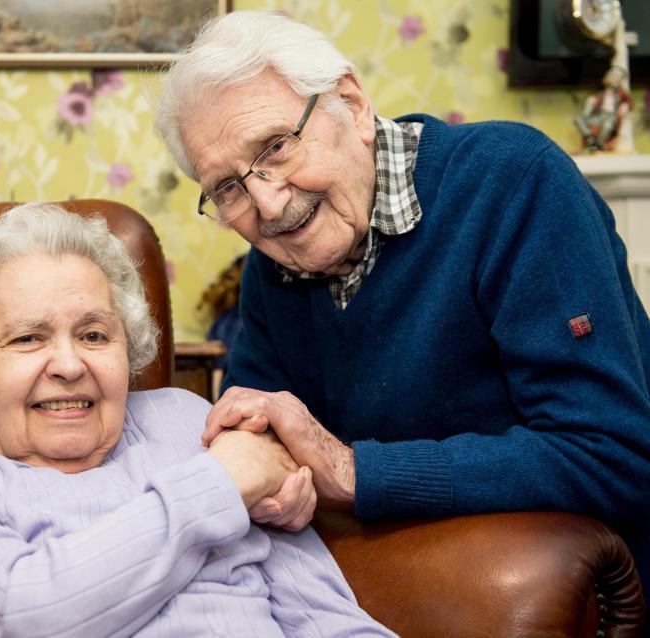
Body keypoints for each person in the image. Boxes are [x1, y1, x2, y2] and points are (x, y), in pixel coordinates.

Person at [155, 9, 650, 604]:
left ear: (353, 105)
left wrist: (352, 472)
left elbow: (613, 455)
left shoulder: (514, 182)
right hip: (388, 582)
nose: (265, 202)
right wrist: (267, 472)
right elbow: (262, 435)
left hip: (551, 592)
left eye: (276, 147)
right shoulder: (275, 267)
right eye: (228, 188)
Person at [0, 203, 395, 637]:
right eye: (28, 338)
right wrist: (219, 485)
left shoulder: (184, 422)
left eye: (95, 335)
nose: (71, 364)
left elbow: (319, 611)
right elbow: (15, 617)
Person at [574, 65, 634, 152]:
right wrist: (591, 102)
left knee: (607, 126)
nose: (613, 79)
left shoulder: (621, 94)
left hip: (611, 117)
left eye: (617, 77)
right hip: (599, 116)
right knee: (579, 119)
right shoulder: (601, 94)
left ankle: (599, 146)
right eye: (611, 75)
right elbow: (593, 104)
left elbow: (629, 103)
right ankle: (590, 138)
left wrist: (625, 106)